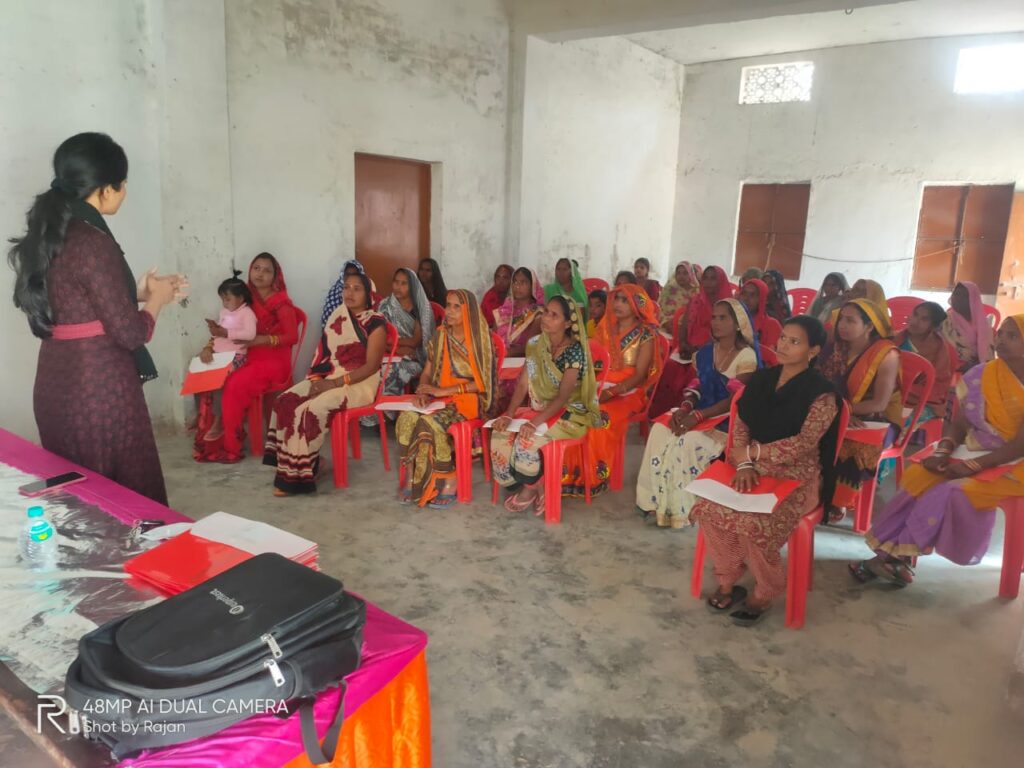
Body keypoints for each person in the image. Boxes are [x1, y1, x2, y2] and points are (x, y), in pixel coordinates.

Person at [8, 132, 184, 504]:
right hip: (100, 391)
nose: (124, 191)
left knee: (79, 501)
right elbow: (130, 333)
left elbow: (77, 299)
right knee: (123, 500)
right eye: (122, 184)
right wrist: (158, 300)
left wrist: (138, 291)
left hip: (56, 384)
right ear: (105, 189)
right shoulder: (93, 241)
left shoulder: (51, 233)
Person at [850, 315, 1024, 588]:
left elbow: (1018, 446)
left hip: (1016, 464)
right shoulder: (983, 374)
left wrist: (971, 466)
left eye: (1012, 336)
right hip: (976, 449)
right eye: (1000, 333)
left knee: (952, 492)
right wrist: (943, 452)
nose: (1001, 340)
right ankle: (892, 558)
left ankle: (892, 558)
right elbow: (960, 424)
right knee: (919, 476)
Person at [693, 316, 840, 624]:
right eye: (783, 337)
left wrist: (753, 453)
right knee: (708, 508)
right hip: (749, 465)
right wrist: (746, 462)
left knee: (754, 521)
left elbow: (804, 443)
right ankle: (728, 577)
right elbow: (742, 423)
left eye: (794, 342)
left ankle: (765, 589)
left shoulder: (822, 395)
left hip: (796, 474)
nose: (783, 345)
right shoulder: (763, 380)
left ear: (813, 351)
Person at [636, 299, 760, 528]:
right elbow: (696, 386)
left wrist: (699, 416)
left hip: (727, 419)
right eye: (714, 317)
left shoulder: (746, 357)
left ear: (738, 323)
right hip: (700, 410)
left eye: (723, 318)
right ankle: (654, 502)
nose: (716, 322)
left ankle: (683, 510)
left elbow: (735, 399)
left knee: (689, 441)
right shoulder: (705, 352)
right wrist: (685, 408)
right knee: (660, 430)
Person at [264, 274, 386, 496]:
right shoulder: (338, 315)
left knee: (310, 409)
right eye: (346, 287)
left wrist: (334, 384)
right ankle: (302, 463)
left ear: (368, 294)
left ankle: (299, 474)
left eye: (357, 288)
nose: (349, 292)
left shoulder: (376, 323)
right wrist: (320, 380)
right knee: (285, 401)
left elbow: (371, 367)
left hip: (360, 383)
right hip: (330, 374)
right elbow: (325, 356)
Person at [490, 296, 601, 514]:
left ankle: (531, 488)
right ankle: (536, 483)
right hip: (540, 408)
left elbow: (563, 397)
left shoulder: (574, 350)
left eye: (554, 315)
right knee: (500, 432)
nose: (546, 318)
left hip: (569, 413)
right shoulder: (535, 344)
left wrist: (533, 423)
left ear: (567, 323)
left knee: (527, 439)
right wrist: (509, 414)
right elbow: (523, 384)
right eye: (546, 312)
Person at [195, 253, 299, 463]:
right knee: (206, 375)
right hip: (244, 354)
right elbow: (225, 329)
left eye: (267, 270)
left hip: (272, 360)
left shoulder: (281, 303)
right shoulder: (242, 297)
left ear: (275, 276)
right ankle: (218, 431)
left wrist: (262, 340)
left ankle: (231, 447)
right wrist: (208, 347)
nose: (260, 273)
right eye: (256, 268)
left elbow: (292, 337)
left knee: (234, 384)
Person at [396, 290, 496, 508]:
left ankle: (450, 478)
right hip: (439, 397)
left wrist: (446, 391)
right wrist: (423, 392)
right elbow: (428, 371)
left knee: (430, 423)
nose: (449, 311)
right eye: (448, 305)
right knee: (406, 417)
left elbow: (484, 383)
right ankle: (412, 475)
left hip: (467, 401)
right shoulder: (441, 335)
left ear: (468, 311)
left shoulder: (480, 339)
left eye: (456, 307)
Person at [564, 284, 662, 496]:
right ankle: (569, 473)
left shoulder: (646, 335)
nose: (618, 304)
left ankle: (592, 477)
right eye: (616, 299)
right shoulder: (606, 328)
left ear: (637, 304)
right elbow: (593, 361)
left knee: (599, 416)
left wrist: (613, 391)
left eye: (625, 300)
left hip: (630, 392)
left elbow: (639, 375)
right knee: (571, 409)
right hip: (601, 384)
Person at [819, 299, 902, 520]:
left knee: (852, 445)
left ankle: (838, 502)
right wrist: (837, 412)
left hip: (878, 419)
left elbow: (880, 403)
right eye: (841, 319)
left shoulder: (886, 354)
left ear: (869, 326)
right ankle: (814, 492)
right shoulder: (836, 349)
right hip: (838, 411)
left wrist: (842, 412)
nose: (842, 325)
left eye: (850, 321)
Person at [648, 265, 733, 417]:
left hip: (715, 350)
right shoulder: (696, 300)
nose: (708, 282)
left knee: (693, 373)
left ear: (721, 281)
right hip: (690, 348)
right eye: (705, 278)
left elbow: (724, 336)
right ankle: (665, 414)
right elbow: (684, 325)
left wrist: (698, 350)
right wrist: (683, 345)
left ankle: (688, 413)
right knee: (669, 367)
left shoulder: (728, 306)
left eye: (713, 278)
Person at [196, 273, 258, 442]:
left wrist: (226, 333)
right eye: (222, 299)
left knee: (218, 379)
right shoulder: (224, 311)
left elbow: (250, 334)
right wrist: (215, 333)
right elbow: (219, 335)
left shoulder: (247, 313)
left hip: (235, 356)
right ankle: (201, 416)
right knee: (195, 370)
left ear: (241, 298)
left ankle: (219, 420)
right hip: (218, 353)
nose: (224, 303)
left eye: (228, 299)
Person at [372, 267, 434, 414]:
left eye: (404, 283)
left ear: (412, 286)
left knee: (390, 371)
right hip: (388, 353)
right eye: (396, 282)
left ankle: (388, 413)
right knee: (371, 369)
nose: (398, 287)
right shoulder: (385, 306)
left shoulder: (420, 308)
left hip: (416, 357)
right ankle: (373, 413)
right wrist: (395, 348)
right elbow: (378, 337)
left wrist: (392, 344)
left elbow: (416, 341)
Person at [493, 267, 545, 411]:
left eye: (523, 282)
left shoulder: (537, 314)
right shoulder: (503, 311)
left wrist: (506, 352)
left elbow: (530, 346)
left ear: (532, 286)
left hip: (523, 364)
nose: (517, 286)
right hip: (501, 361)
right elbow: (493, 338)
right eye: (515, 282)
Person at [895, 302, 952, 421]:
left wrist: (904, 389)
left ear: (933, 326)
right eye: (915, 315)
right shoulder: (895, 339)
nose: (915, 321)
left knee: (903, 422)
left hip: (922, 400)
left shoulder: (939, 349)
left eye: (924, 319)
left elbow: (938, 385)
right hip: (890, 394)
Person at [942, 280, 994, 372]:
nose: (957, 298)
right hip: (950, 366)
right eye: (956, 294)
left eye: (964, 296)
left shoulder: (983, 323)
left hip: (979, 367)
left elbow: (988, 353)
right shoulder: (946, 320)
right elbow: (944, 348)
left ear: (973, 299)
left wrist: (976, 366)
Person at [321, 258, 377, 327]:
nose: (350, 293)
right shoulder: (334, 294)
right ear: (343, 274)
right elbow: (326, 324)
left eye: (356, 289)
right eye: (347, 274)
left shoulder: (373, 320)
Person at [658, 261, 700, 334]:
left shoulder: (696, 292)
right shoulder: (669, 290)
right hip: (666, 327)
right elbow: (659, 309)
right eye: (678, 273)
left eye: (685, 273)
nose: (681, 276)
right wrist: (666, 323)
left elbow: (698, 314)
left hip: (689, 329)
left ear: (691, 274)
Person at [740, 278, 782, 349]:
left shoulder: (772, 326)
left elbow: (770, 353)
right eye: (744, 293)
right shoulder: (731, 320)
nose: (746, 299)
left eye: (752, 295)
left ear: (762, 299)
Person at [480, 264, 512, 328]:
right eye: (498, 277)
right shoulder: (489, 296)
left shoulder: (516, 298)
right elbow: (481, 320)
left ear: (512, 280)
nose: (500, 281)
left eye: (505, 278)